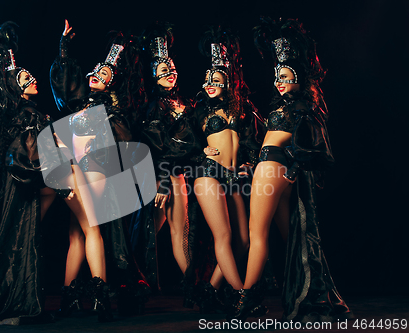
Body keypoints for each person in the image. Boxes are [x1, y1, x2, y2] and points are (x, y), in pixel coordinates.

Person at [0, 22, 88, 325]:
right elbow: (34, 154)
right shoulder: (28, 115)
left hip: (26, 183)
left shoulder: (28, 113)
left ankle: (0, 299)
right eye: (24, 77)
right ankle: (15, 304)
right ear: (15, 87)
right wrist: (60, 185)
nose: (31, 78)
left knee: (15, 238)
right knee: (21, 239)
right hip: (26, 183)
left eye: (29, 75)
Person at [231, 17, 353, 323]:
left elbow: (314, 144)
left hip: (273, 165)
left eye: (285, 76)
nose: (278, 81)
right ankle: (304, 294)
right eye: (277, 76)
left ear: (300, 77)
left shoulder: (302, 105)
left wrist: (293, 166)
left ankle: (246, 301)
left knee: (256, 233)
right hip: (273, 166)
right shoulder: (292, 105)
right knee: (293, 237)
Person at [50, 19, 150, 319]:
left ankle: (101, 297)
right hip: (73, 169)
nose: (96, 74)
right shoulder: (79, 104)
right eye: (95, 70)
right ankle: (71, 298)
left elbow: (125, 141)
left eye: (104, 74)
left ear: (112, 83)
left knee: (90, 228)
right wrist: (64, 47)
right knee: (77, 234)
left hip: (95, 168)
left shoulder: (111, 110)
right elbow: (64, 82)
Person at [129, 23, 209, 302]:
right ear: (153, 76)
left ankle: (188, 286)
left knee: (173, 230)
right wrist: (162, 181)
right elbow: (155, 148)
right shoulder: (154, 108)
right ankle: (135, 283)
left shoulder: (184, 103)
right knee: (157, 233)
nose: (170, 74)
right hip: (162, 176)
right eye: (163, 71)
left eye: (172, 69)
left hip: (179, 176)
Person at [190, 27, 265, 316]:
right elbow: (178, 144)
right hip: (208, 173)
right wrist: (199, 153)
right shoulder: (198, 111)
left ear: (227, 82)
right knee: (223, 236)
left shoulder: (240, 108)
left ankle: (210, 290)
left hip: (233, 177)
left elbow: (248, 142)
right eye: (207, 79)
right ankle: (241, 296)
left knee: (243, 241)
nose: (209, 83)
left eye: (216, 79)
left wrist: (247, 162)